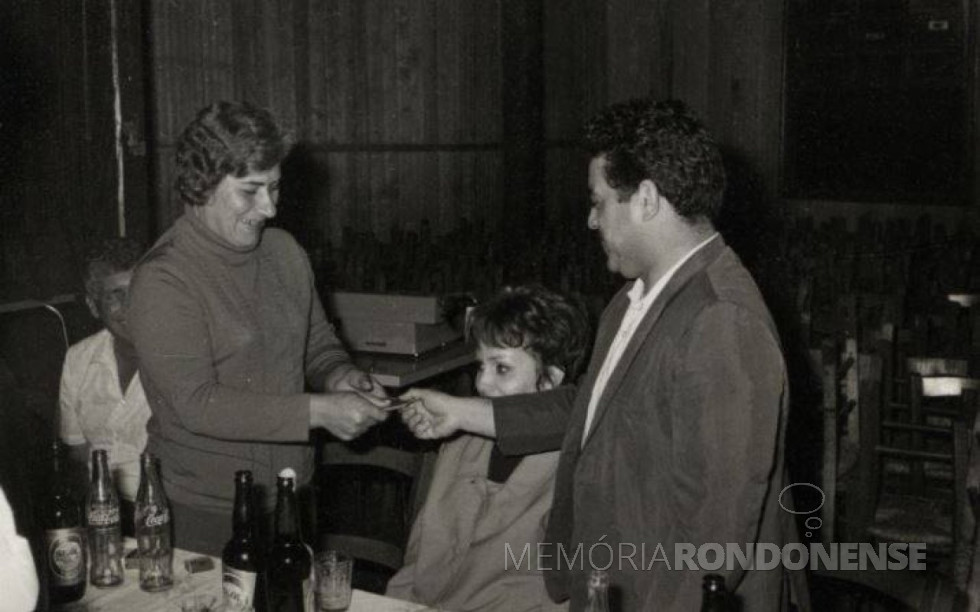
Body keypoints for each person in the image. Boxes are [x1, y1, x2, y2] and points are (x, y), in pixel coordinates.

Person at [401, 99, 806, 610]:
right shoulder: (633, 299)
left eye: (599, 202)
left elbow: (715, 541)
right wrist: (463, 412)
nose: (592, 222)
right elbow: (592, 414)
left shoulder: (720, 320)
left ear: (647, 200)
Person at [128, 101, 389, 556]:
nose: (269, 208)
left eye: (275, 188)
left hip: (291, 493)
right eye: (250, 191)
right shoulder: (164, 278)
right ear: (200, 186)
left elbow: (317, 345)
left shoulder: (285, 253)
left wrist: (341, 376)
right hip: (207, 512)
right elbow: (197, 404)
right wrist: (321, 412)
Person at [386, 285, 590, 611]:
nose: (482, 383)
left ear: (551, 381)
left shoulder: (574, 468)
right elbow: (418, 558)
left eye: (502, 368)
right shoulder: (461, 442)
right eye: (481, 366)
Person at [59, 237, 148, 535]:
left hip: (164, 512)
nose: (131, 306)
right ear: (93, 306)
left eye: (139, 291)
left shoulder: (179, 357)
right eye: (115, 295)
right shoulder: (78, 359)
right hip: (101, 514)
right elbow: (77, 454)